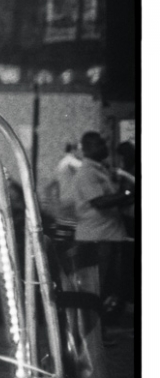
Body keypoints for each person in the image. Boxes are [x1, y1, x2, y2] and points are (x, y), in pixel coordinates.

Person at [71, 131, 134, 330]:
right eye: (100, 144)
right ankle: (95, 331)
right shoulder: (87, 172)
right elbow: (100, 202)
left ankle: (102, 328)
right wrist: (126, 194)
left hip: (108, 236)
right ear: (88, 148)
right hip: (96, 239)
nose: (106, 147)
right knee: (98, 287)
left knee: (108, 287)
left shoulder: (100, 170)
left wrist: (127, 195)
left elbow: (114, 199)